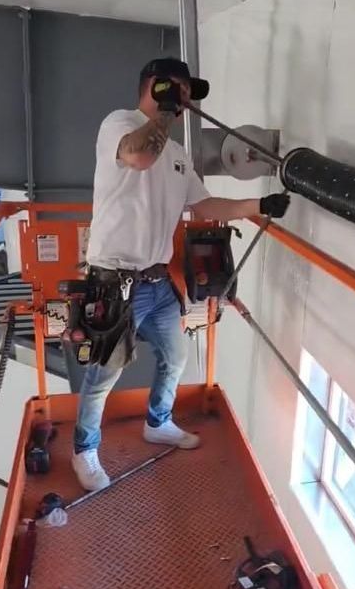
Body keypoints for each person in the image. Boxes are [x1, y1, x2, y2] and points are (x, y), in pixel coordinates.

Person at [72, 57, 290, 491]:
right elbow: (136, 156)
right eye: (179, 91)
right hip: (115, 282)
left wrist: (257, 207)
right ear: (154, 86)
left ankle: (159, 422)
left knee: (176, 355)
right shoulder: (119, 124)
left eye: (189, 94)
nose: (187, 101)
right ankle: (85, 449)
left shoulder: (176, 154)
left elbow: (204, 206)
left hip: (155, 282)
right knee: (104, 375)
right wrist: (167, 112)